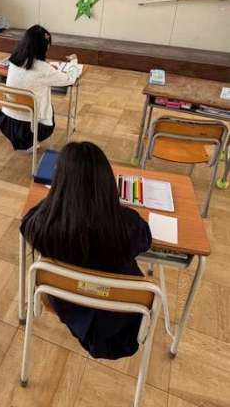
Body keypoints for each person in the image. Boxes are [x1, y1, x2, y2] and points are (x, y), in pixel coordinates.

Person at [21, 141, 152, 360]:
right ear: (107, 182)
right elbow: (146, 240)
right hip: (121, 315)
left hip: (67, 302)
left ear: (59, 183)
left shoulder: (43, 226)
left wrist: (55, 201)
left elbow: (26, 222)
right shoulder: (127, 226)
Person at [0, 25, 80, 151]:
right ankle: (29, 143)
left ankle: (25, 143)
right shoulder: (44, 69)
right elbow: (70, 79)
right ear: (42, 48)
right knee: (47, 106)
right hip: (31, 129)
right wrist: (74, 62)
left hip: (7, 121)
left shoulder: (13, 60)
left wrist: (48, 70)